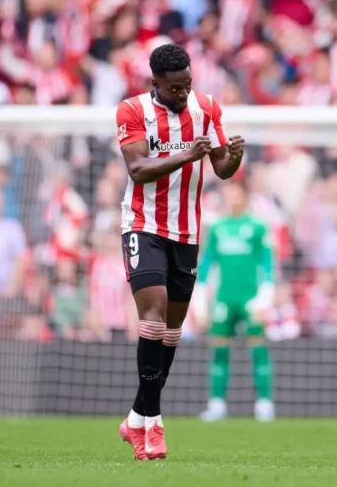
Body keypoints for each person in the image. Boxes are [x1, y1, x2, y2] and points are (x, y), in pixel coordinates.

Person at [116, 43, 244, 461]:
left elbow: (221, 168)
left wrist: (234, 160)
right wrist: (187, 154)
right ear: (155, 82)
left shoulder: (207, 107)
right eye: (175, 88)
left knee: (172, 331)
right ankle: (152, 425)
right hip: (143, 225)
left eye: (188, 84)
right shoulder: (132, 111)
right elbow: (137, 169)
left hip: (186, 232)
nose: (184, 93)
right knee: (151, 320)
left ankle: (135, 416)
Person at [192, 182, 276, 422]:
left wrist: (264, 300)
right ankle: (217, 404)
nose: (231, 199)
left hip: (250, 300)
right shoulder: (218, 228)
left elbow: (267, 264)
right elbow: (206, 265)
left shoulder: (258, 227)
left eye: (235, 194)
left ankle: (264, 404)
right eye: (227, 195)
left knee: (259, 350)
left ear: (244, 197)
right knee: (219, 351)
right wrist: (199, 304)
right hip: (223, 299)